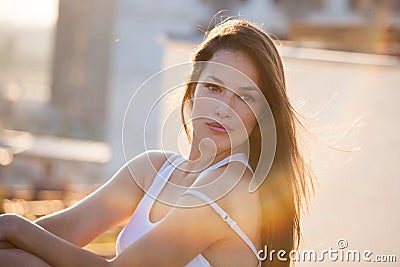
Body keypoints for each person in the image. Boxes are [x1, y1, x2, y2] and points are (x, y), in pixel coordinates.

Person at [0, 18, 314, 267]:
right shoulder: (155, 170)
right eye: (214, 88)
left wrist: (14, 225)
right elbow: (63, 233)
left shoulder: (231, 187)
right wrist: (12, 236)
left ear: (262, 113)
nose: (224, 108)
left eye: (244, 97)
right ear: (192, 89)